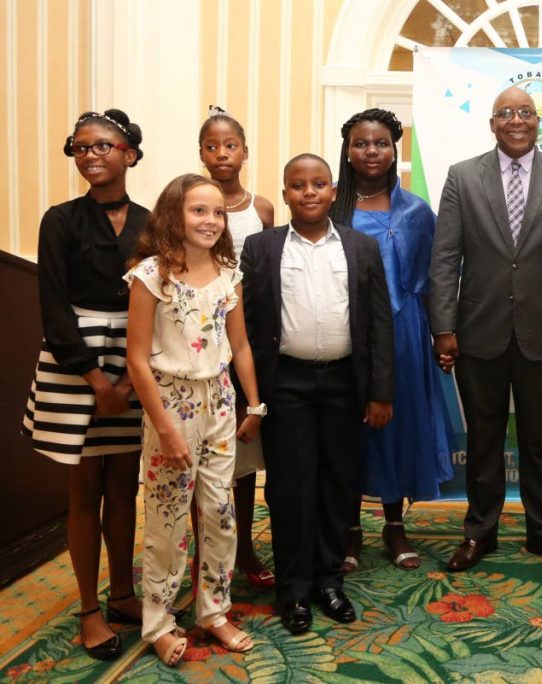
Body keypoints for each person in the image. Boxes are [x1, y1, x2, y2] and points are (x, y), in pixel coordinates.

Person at [430, 86, 542, 572]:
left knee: (540, 441)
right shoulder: (462, 177)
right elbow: (445, 258)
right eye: (506, 113)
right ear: (492, 122)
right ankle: (480, 532)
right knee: (483, 439)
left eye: (526, 112)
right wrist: (443, 326)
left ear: (538, 122)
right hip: (478, 331)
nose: (516, 120)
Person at [241, 154, 393, 635]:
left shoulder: (361, 246)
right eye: (297, 185)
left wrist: (380, 391)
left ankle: (329, 582)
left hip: (344, 384)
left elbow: (378, 326)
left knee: (336, 485)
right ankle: (294, 588)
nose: (309, 192)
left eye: (318, 184)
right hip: (286, 384)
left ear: (333, 191)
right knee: (290, 488)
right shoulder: (260, 248)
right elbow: (244, 323)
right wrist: (248, 398)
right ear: (284, 193)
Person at [22, 109, 147, 660]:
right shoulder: (60, 219)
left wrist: (129, 376)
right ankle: (89, 610)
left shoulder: (152, 221)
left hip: (138, 359)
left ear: (130, 155)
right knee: (84, 491)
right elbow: (52, 304)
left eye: (103, 146)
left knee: (124, 486)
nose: (91, 155)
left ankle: (122, 594)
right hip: (74, 366)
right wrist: (97, 379)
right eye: (80, 148)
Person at [125, 173, 262, 666]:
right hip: (171, 407)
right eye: (198, 210)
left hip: (221, 404)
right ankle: (159, 622)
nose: (210, 220)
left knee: (220, 515)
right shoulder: (150, 275)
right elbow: (137, 359)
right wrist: (163, 427)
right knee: (167, 519)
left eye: (218, 212)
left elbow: (241, 345)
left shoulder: (229, 273)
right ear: (173, 215)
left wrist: (254, 404)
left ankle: (214, 610)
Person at [329, 108, 454, 573]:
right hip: (344, 334)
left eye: (380, 142)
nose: (371, 151)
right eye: (361, 143)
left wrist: (442, 332)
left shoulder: (417, 210)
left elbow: (436, 277)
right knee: (350, 429)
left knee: (396, 427)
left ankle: (394, 526)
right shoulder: (331, 205)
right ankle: (349, 529)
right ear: (347, 150)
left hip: (405, 334)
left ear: (394, 148)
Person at [195, 106, 276, 591]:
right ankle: (202, 551)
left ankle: (244, 544)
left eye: (230, 145)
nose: (221, 153)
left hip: (248, 340)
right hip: (201, 341)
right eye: (211, 145)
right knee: (200, 457)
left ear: (245, 152)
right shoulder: (192, 199)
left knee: (241, 456)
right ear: (201, 152)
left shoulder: (261, 208)